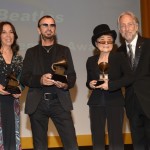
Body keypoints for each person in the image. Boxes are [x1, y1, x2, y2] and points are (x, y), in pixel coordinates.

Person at [20, 15, 79, 150]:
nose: (49, 28)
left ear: (55, 29)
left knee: (71, 145)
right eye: (45, 25)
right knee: (40, 146)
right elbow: (24, 77)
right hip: (37, 104)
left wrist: (66, 84)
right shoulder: (31, 52)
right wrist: (40, 80)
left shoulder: (64, 50)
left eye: (52, 25)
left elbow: (71, 75)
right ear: (38, 30)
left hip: (60, 103)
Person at [86, 24, 133, 150]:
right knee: (97, 137)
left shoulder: (119, 57)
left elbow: (129, 77)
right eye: (102, 40)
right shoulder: (90, 60)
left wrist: (110, 85)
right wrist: (90, 84)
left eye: (109, 40)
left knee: (116, 137)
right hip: (96, 103)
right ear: (96, 43)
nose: (106, 43)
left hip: (115, 102)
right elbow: (88, 80)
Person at [117, 11, 150, 150]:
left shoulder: (149, 45)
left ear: (136, 26)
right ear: (120, 30)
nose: (127, 28)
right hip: (132, 105)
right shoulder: (118, 52)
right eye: (123, 26)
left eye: (130, 24)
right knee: (138, 144)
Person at [0, 21, 23, 150]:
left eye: (11, 32)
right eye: (4, 32)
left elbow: (23, 80)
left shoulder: (18, 59)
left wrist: (20, 88)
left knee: (13, 138)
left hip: (13, 103)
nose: (8, 35)